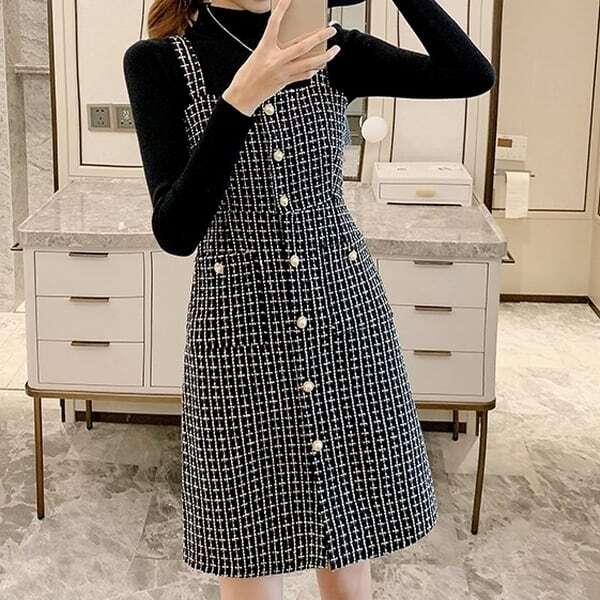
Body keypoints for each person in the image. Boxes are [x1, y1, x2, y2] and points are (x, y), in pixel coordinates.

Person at [123, 1, 495, 599]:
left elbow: (469, 75)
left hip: (343, 318)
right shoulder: (160, 62)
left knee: (348, 540)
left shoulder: (330, 49)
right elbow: (176, 230)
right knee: (248, 546)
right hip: (238, 332)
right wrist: (240, 98)